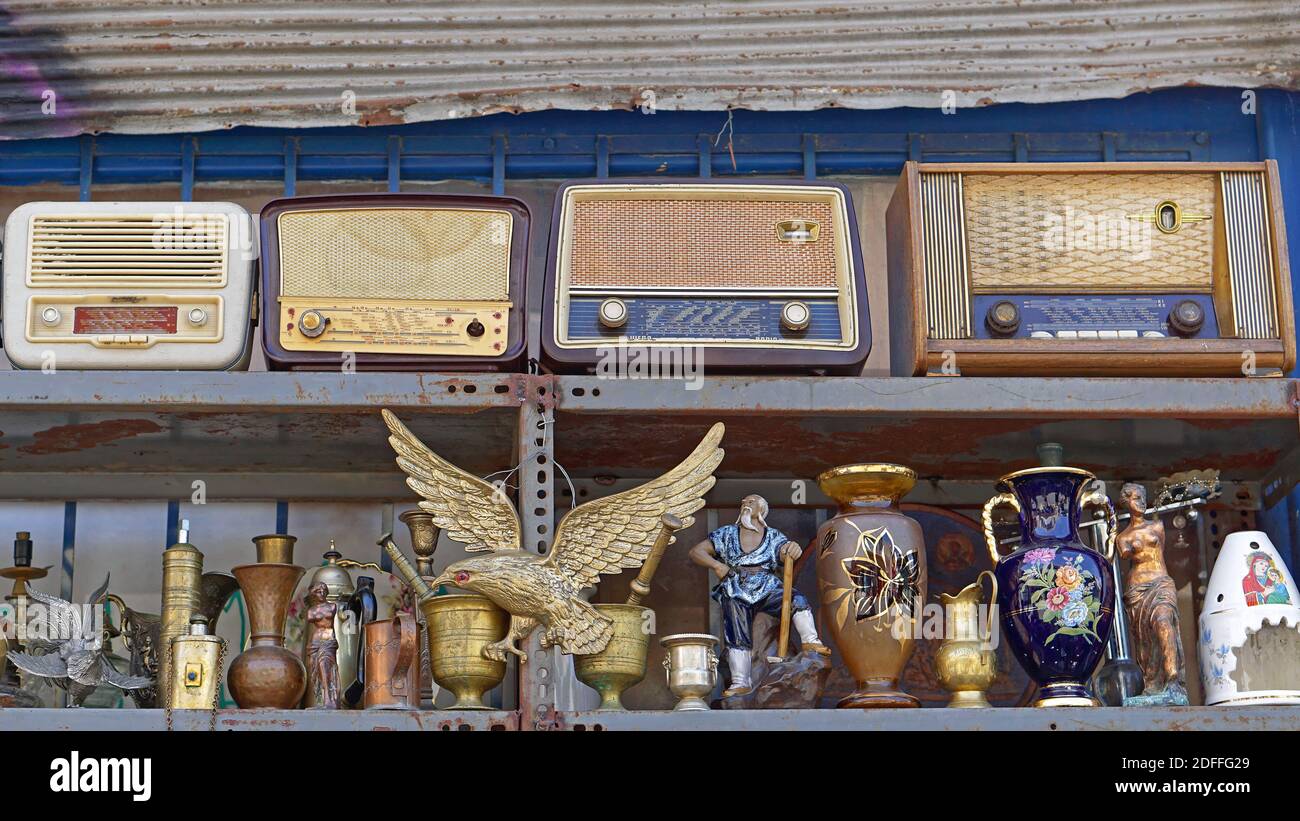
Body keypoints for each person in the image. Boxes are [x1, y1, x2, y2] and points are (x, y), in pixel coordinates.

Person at [689, 494, 830, 697]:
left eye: (751, 501)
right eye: (744, 501)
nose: (745, 503)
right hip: (736, 585)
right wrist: (717, 565)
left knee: (797, 600)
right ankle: (740, 681)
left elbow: (784, 553)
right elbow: (696, 552)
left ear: (762, 510)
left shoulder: (773, 536)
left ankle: (811, 640)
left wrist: (791, 548)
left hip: (766, 584)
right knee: (736, 632)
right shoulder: (727, 534)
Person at [1115, 483, 1187, 705]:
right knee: (1145, 640)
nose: (1140, 502)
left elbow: (1161, 553)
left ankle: (1173, 680)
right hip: (1138, 589)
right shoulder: (1123, 537)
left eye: (1142, 497)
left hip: (1161, 583)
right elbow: (1121, 556)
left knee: (1164, 621)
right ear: (1126, 502)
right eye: (1135, 498)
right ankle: (1153, 685)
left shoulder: (1158, 526)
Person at [305, 581, 340, 709]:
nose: (322, 593)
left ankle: (330, 700)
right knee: (315, 671)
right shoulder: (311, 611)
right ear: (314, 594)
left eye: (324, 590)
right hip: (315, 642)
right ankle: (320, 701)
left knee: (325, 666)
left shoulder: (332, 606)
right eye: (319, 591)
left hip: (328, 640)